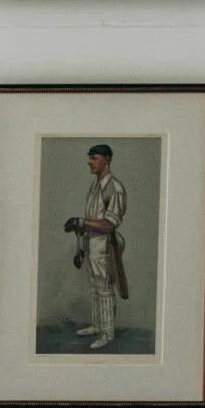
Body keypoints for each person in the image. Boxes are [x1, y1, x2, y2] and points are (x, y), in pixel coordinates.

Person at [63, 143, 127, 350]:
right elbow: (91, 221)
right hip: (91, 245)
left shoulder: (114, 188)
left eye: (94, 158)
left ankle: (107, 333)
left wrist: (81, 222)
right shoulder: (95, 186)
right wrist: (80, 248)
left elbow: (110, 224)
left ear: (106, 160)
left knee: (105, 288)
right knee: (94, 287)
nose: (89, 162)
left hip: (106, 247)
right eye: (89, 157)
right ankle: (97, 325)